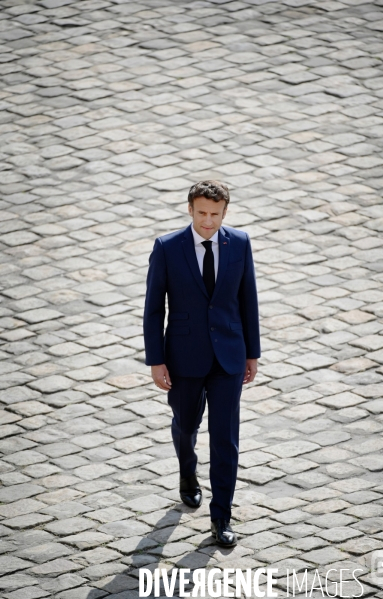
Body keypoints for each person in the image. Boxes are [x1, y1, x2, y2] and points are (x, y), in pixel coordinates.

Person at [143, 180, 261, 547]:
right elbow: (153, 309)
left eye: (214, 214)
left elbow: (248, 300)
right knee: (185, 425)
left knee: (225, 439)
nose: (207, 221)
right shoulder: (167, 247)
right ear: (190, 210)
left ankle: (221, 515)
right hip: (183, 357)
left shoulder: (239, 243)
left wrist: (252, 353)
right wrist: (156, 360)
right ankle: (187, 472)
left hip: (228, 355)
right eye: (201, 213)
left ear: (225, 212)